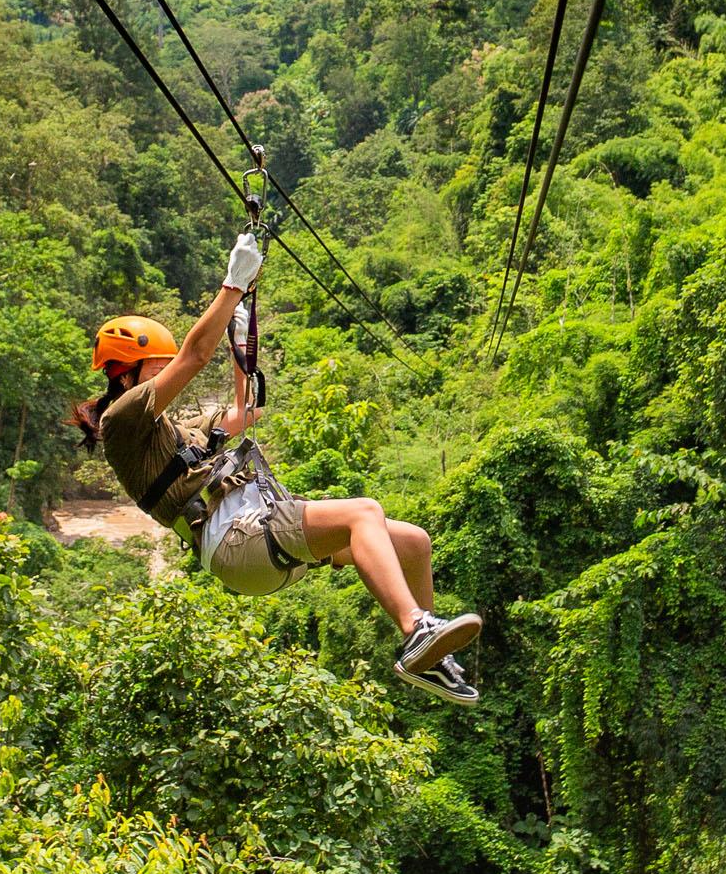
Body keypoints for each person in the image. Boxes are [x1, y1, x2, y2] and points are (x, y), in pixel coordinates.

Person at [69, 231, 482, 704]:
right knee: (363, 512)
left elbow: (246, 415)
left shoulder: (175, 429)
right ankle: (415, 630)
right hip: (238, 539)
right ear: (125, 374)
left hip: (251, 539)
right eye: (156, 370)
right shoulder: (123, 423)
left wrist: (240, 347)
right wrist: (232, 284)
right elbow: (193, 355)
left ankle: (430, 659)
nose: (166, 379)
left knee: (412, 543)